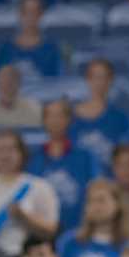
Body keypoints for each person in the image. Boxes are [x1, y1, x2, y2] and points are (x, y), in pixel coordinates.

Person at [0, 129, 60, 257]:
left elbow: (51, 230)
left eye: (11, 149)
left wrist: (23, 216)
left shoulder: (40, 186)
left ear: (22, 153)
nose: (5, 155)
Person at [28, 99, 100, 232]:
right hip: (41, 231)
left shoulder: (85, 157)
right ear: (44, 120)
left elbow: (96, 191)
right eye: (50, 116)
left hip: (78, 231)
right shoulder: (32, 158)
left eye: (60, 116)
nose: (55, 121)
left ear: (69, 120)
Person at [54, 179, 126, 257]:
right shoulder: (68, 242)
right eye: (90, 201)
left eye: (101, 200)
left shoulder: (126, 247)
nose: (95, 206)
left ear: (117, 204)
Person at [71, 59, 129, 164]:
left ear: (111, 80)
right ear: (87, 79)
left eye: (104, 77)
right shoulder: (70, 117)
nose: (99, 82)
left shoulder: (121, 119)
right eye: (95, 77)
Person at [0, 0, 60, 78]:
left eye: (35, 12)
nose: (30, 17)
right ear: (20, 14)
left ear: (41, 14)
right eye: (26, 12)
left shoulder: (51, 50)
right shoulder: (5, 49)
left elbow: (57, 83)